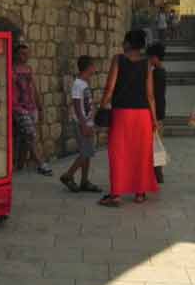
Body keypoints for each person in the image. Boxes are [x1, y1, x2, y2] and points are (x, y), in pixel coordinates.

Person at [98, 29, 158, 206]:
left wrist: (102, 106)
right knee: (141, 153)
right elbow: (150, 95)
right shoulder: (147, 63)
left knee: (118, 153)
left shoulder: (118, 59)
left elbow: (110, 87)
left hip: (122, 114)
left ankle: (116, 194)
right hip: (143, 116)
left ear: (128, 43)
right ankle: (140, 193)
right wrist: (154, 120)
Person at [60, 56, 101, 193]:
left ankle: (84, 181)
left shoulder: (84, 83)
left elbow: (86, 103)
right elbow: (77, 107)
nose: (95, 69)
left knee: (88, 153)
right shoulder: (78, 84)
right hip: (82, 124)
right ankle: (68, 175)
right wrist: (84, 124)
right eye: (93, 66)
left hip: (88, 123)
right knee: (85, 152)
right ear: (88, 67)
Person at [13, 43, 52, 176]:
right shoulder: (12, 69)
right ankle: (41, 164)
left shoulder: (28, 69)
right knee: (31, 135)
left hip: (31, 107)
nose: (26, 56)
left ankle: (19, 166)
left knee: (25, 137)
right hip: (19, 108)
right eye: (23, 53)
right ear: (16, 54)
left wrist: (40, 107)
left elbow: (33, 88)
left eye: (27, 53)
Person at [146, 42, 167, 184]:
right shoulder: (162, 71)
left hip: (154, 112)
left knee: (154, 143)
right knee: (157, 142)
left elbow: (151, 95)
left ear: (154, 57)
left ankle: (156, 171)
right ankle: (157, 171)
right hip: (160, 110)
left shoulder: (154, 73)